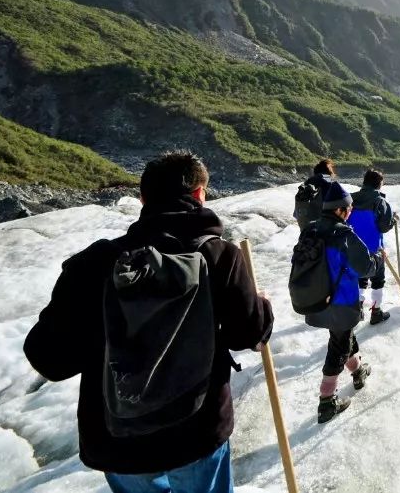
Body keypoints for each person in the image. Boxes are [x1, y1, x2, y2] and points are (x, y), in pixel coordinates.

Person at [24, 151, 273, 493]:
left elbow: (49, 359)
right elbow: (250, 333)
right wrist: (261, 307)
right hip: (196, 431)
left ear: (143, 199)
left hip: (119, 441)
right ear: (200, 194)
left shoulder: (93, 264)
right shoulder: (219, 256)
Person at [303, 181, 376, 423]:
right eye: (349, 208)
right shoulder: (344, 234)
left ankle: (357, 371)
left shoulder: (310, 229)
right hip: (341, 302)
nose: (351, 212)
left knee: (343, 337)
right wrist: (376, 259)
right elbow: (364, 268)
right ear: (340, 210)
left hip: (316, 300)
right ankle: (327, 401)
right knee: (338, 346)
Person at [349, 169, 398, 325]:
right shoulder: (381, 202)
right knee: (377, 280)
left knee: (359, 279)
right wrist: (394, 220)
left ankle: (357, 309)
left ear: (364, 182)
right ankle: (376, 313)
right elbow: (384, 227)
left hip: (352, 248)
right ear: (379, 184)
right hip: (374, 250)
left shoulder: (349, 199)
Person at [295, 159, 340, 227]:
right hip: (323, 227)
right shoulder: (329, 180)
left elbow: (295, 214)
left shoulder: (307, 182)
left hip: (305, 229)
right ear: (329, 171)